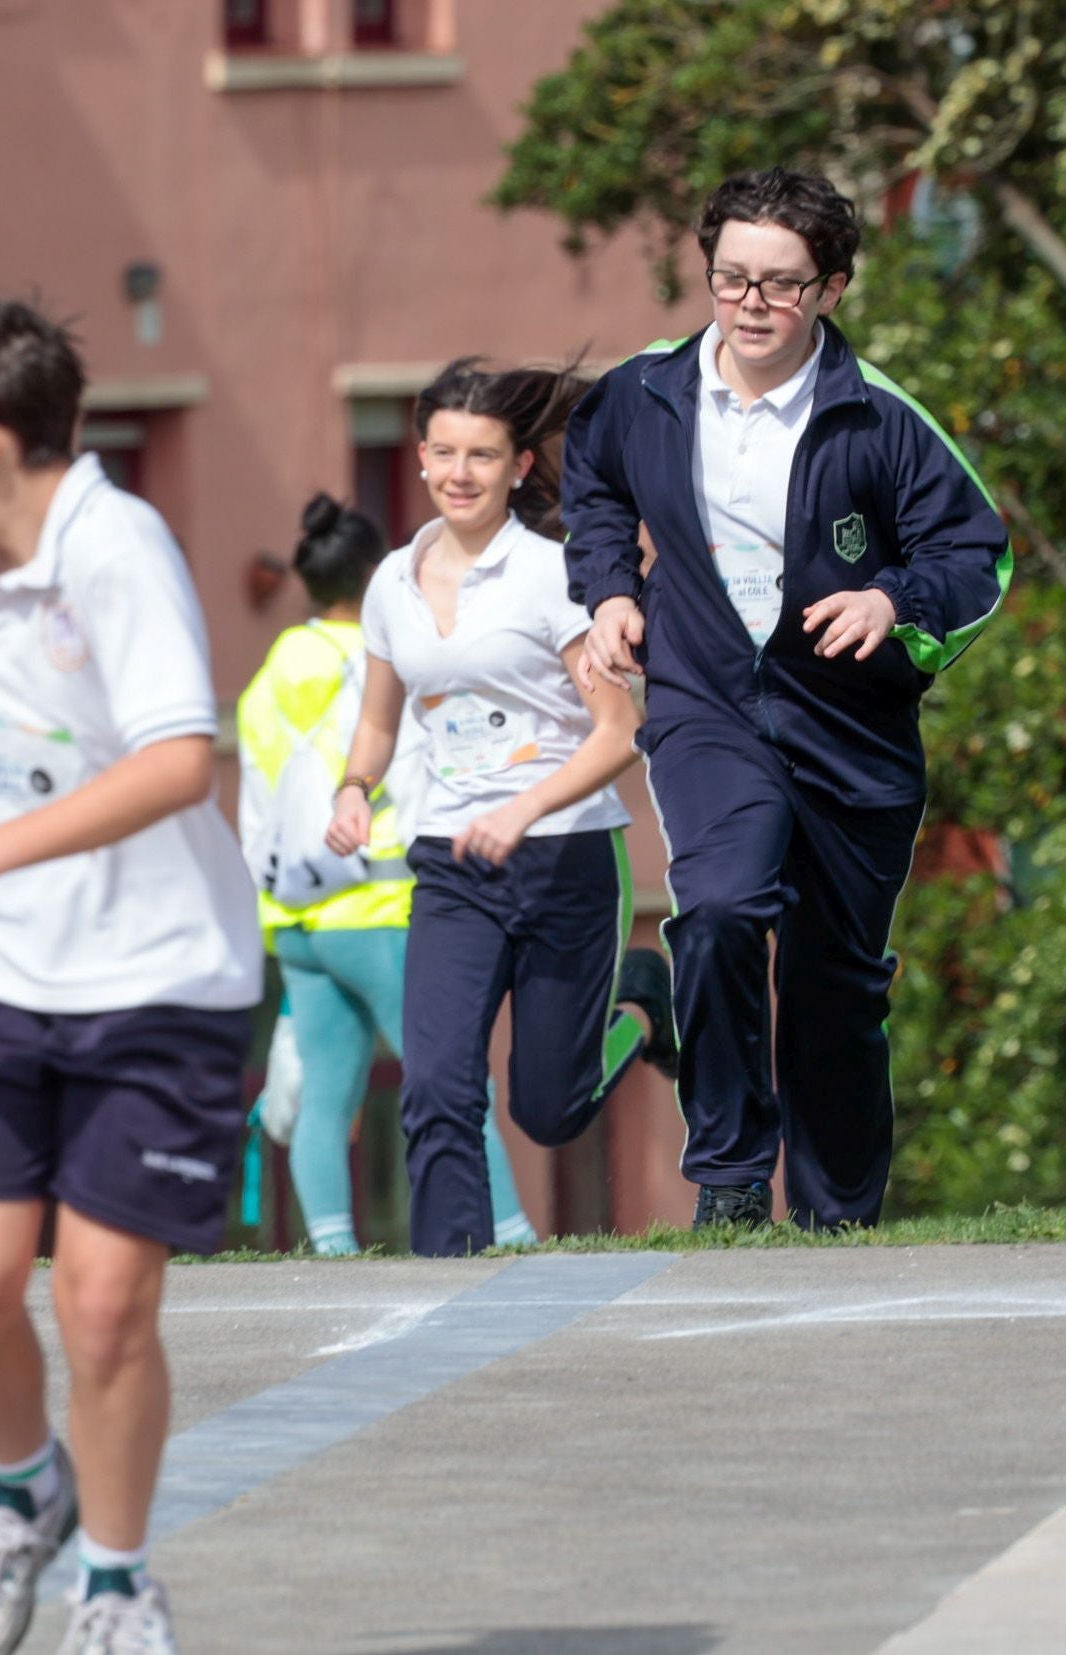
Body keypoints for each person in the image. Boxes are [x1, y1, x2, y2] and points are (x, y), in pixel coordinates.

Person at [0, 293, 260, 1655]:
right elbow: (26, 731)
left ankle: (117, 1577)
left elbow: (173, 761)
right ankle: (23, 1485)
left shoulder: (115, 545)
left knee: (101, 1302)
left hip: (154, 981)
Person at [561, 167, 1013, 1231]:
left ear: (831, 288)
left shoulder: (878, 418)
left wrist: (889, 598)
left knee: (836, 984)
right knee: (714, 909)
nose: (749, 304)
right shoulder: (645, 392)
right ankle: (725, 1172)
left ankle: (838, 1212)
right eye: (729, 280)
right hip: (705, 702)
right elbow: (593, 487)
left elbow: (975, 558)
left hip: (849, 727)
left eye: (778, 284)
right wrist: (609, 591)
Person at [326, 360, 678, 1257]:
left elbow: (615, 729)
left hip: (564, 858)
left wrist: (521, 809)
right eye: (443, 451)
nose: (459, 472)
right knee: (437, 1084)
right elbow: (376, 720)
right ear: (418, 459)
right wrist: (353, 790)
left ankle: (640, 1006)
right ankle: (448, 1272)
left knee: (549, 1109)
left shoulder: (551, 576)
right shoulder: (390, 586)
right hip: (452, 864)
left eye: (481, 455)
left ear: (519, 466)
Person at [237, 493, 538, 1255]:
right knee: (454, 1077)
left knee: (326, 1095)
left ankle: (334, 1251)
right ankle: (511, 1232)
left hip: (297, 917)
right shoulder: (384, 660)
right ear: (375, 578)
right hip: (379, 903)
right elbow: (410, 773)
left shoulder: (268, 678)